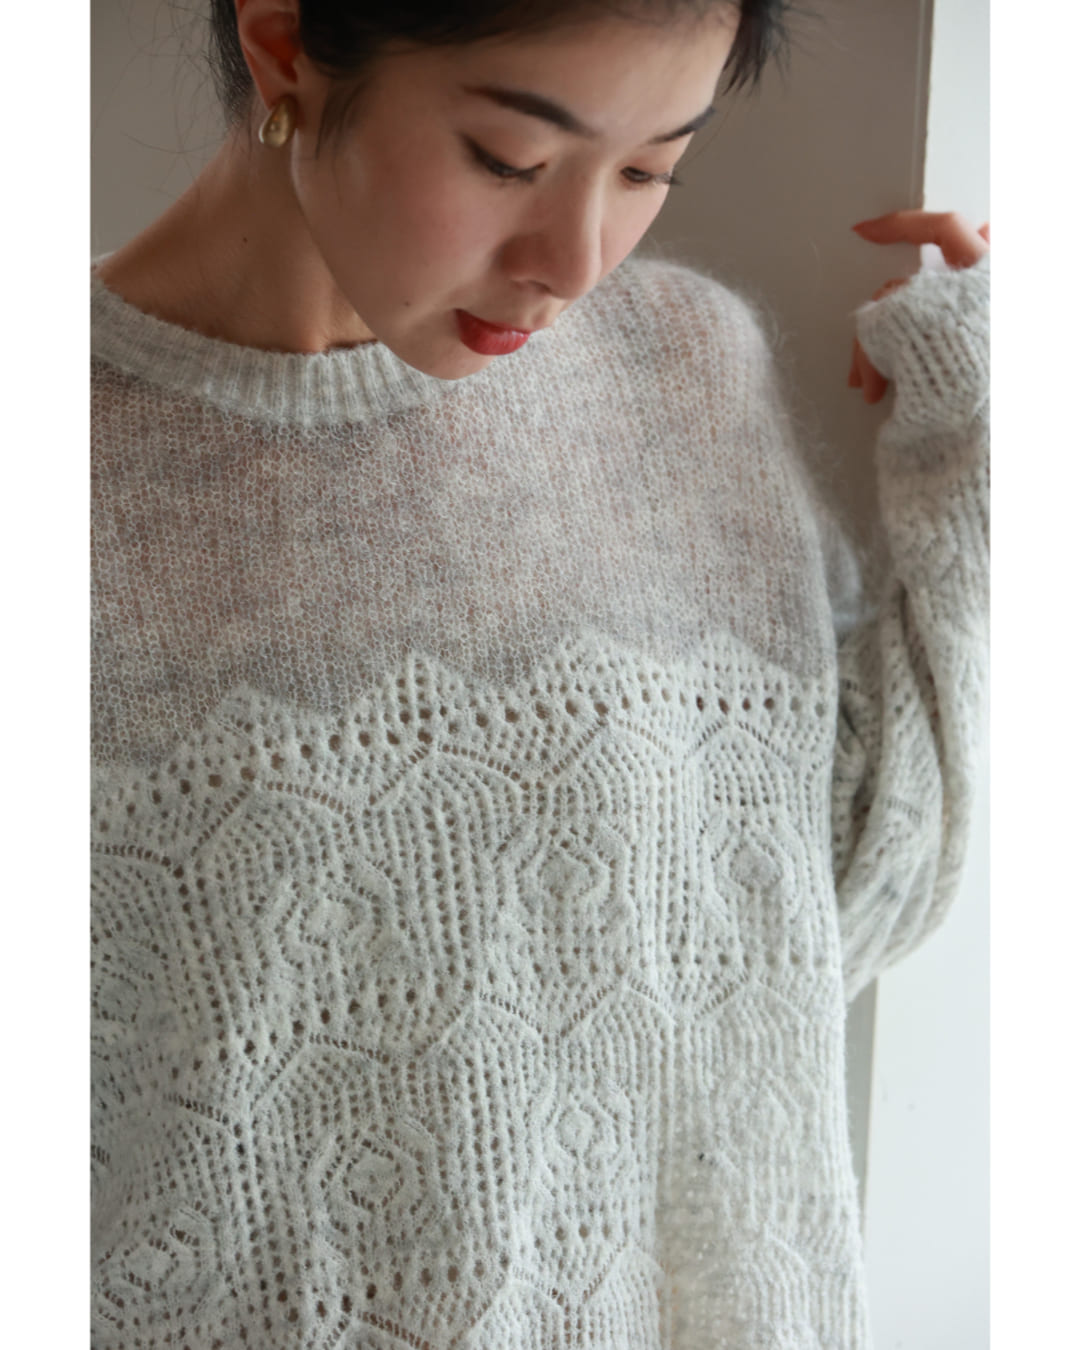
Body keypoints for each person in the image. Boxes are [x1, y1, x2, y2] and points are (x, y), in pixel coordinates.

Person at [90, 0, 989, 1346]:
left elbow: (822, 909)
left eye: (649, 169)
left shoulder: (682, 379)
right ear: (282, 43)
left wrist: (985, 437)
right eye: (509, 159)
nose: (574, 261)